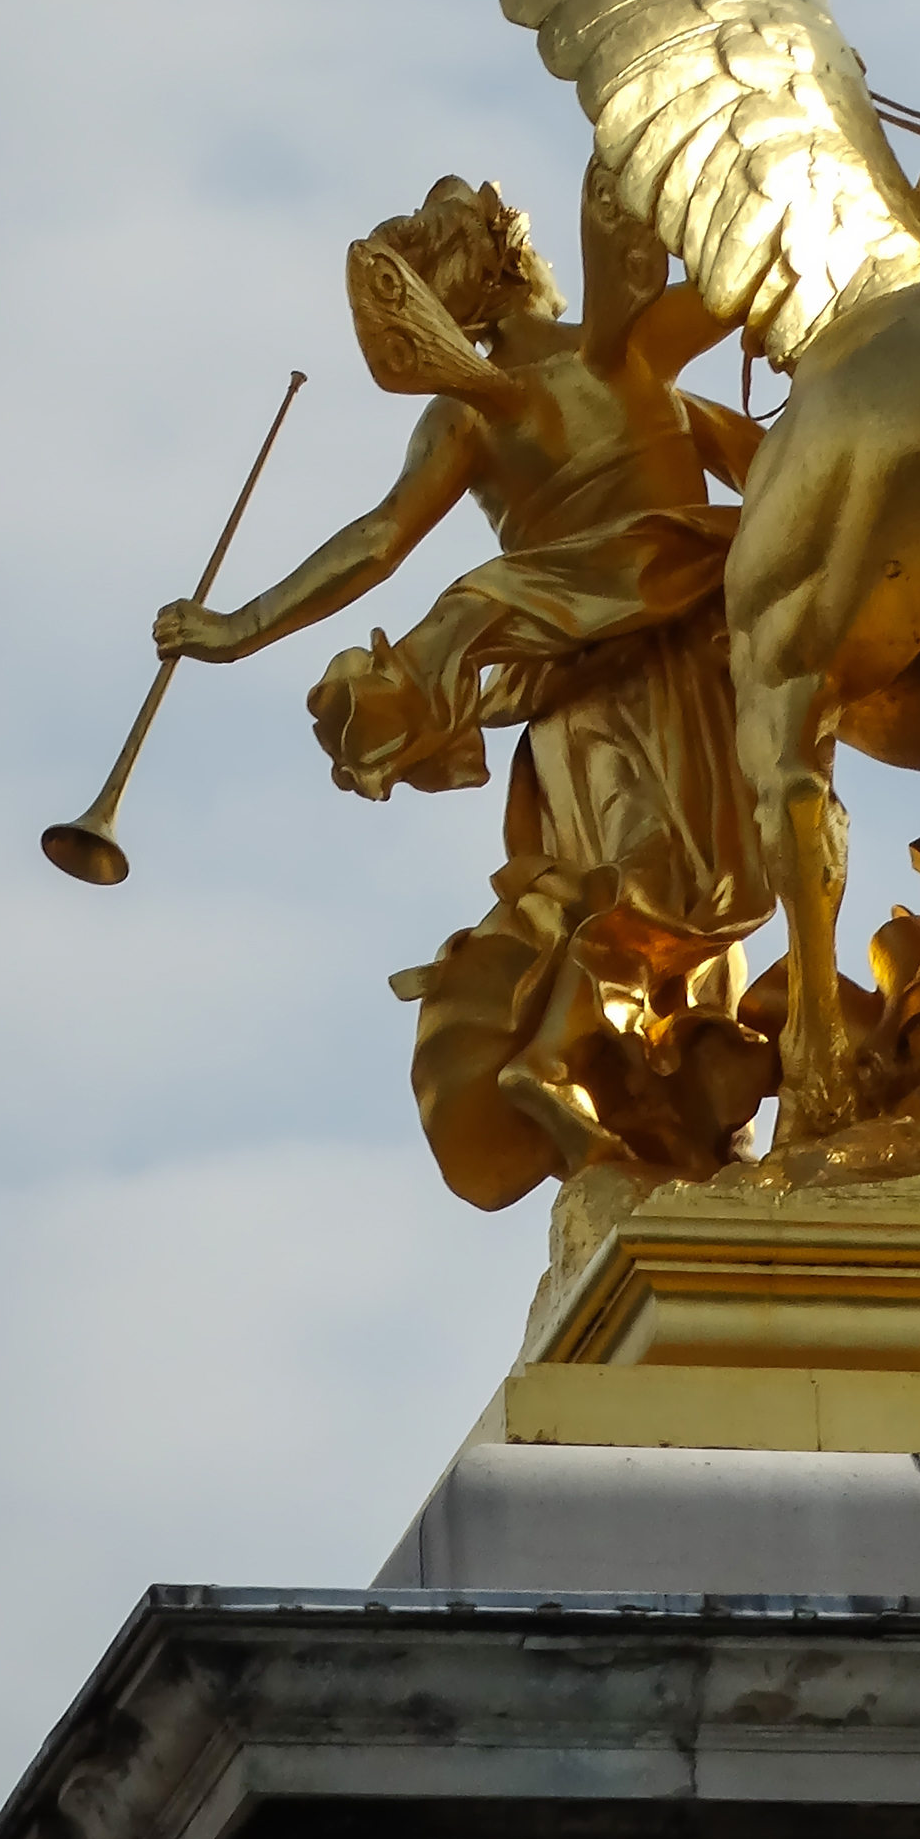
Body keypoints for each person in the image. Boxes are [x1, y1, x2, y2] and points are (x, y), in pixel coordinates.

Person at [154, 168, 773, 1204]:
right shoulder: (584, 366)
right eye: (508, 237)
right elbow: (746, 270)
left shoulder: (569, 375)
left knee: (703, 902)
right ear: (503, 263)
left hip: (681, 657)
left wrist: (240, 631)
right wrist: (239, 626)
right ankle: (543, 1067)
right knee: (660, 881)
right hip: (598, 671)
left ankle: (674, 1119)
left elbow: (376, 543)